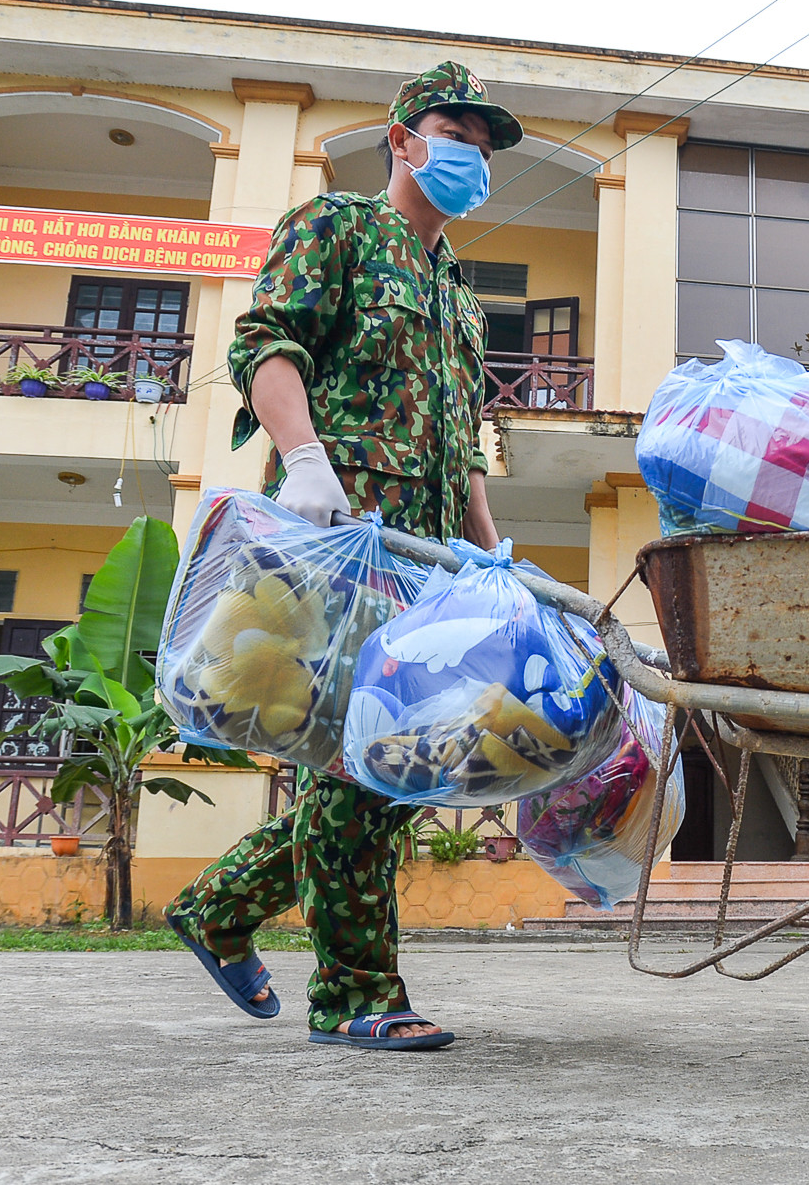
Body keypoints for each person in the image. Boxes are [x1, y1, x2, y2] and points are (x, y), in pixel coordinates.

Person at [166, 61, 518, 1051]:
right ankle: (357, 994)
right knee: (359, 766)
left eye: (483, 147)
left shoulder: (459, 294)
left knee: (400, 765)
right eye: (455, 133)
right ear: (402, 139)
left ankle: (221, 904)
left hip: (429, 556)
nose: (471, 157)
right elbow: (267, 343)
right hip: (340, 538)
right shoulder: (336, 228)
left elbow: (466, 433)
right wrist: (305, 456)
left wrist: (490, 553)